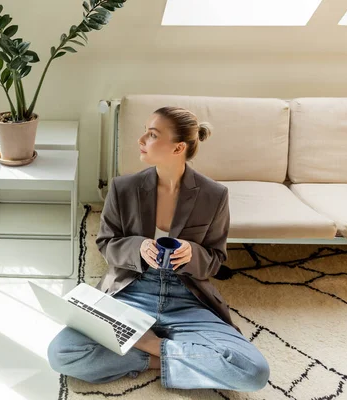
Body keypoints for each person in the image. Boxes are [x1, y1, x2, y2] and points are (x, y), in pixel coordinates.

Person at [47, 107, 270, 391]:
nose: (141, 139)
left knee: (252, 371)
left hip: (187, 299)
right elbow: (106, 244)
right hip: (131, 292)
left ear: (178, 147)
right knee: (64, 353)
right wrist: (138, 247)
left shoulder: (214, 195)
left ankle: (150, 345)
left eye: (152, 134)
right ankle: (174, 357)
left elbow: (215, 260)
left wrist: (192, 253)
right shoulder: (123, 187)